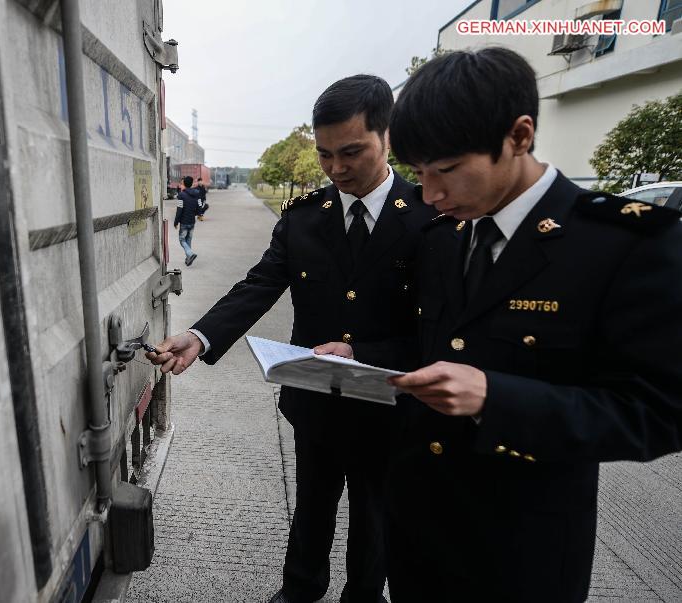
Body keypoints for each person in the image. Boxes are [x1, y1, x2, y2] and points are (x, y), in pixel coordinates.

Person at [377, 47, 682, 601]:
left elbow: (659, 411)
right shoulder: (444, 236)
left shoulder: (623, 243)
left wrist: (498, 398)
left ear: (519, 136)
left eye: (446, 170)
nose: (430, 194)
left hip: (521, 550)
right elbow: (435, 348)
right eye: (418, 173)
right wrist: (362, 357)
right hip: (418, 529)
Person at [148, 74, 437, 603]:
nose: (336, 168)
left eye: (351, 152)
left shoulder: (428, 218)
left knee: (375, 521)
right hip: (316, 401)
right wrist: (201, 335)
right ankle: (299, 591)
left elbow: (438, 327)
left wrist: (364, 354)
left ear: (387, 136)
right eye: (326, 155)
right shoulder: (306, 218)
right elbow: (260, 283)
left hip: (390, 405)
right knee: (311, 509)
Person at [175, 175, 203, 266]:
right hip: (192, 221)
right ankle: (188, 259)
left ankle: (190, 254)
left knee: (182, 239)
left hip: (184, 221)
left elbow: (179, 209)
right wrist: (200, 214)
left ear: (184, 183)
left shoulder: (181, 195)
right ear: (191, 184)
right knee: (188, 240)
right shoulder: (197, 193)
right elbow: (199, 205)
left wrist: (176, 222)